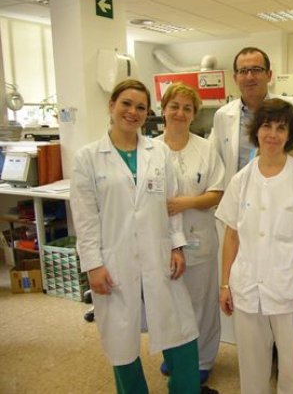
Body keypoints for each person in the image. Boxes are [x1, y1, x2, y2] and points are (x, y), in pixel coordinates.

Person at [70, 79, 200, 394]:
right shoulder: (88, 157)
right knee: (121, 339)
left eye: (141, 107)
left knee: (181, 330)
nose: (133, 112)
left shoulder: (159, 152)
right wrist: (93, 265)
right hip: (114, 258)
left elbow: (171, 205)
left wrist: (177, 247)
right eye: (126, 104)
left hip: (159, 253)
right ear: (111, 105)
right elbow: (85, 219)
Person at [215, 98, 293, 394]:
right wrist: (225, 284)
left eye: (281, 128)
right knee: (251, 369)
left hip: (290, 288)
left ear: (290, 135)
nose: (273, 134)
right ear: (256, 130)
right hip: (246, 288)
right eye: (267, 126)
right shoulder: (241, 180)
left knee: (291, 369)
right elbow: (231, 236)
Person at [155, 82, 225, 387]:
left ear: (194, 114)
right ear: (163, 110)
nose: (180, 113)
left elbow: (217, 192)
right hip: (161, 242)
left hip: (199, 239)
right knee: (168, 303)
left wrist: (186, 203)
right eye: (174, 106)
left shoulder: (206, 149)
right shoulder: (149, 150)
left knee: (201, 303)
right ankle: (175, 356)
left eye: (187, 108)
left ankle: (202, 360)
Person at [210, 46, 293, 188]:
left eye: (256, 70)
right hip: (240, 194)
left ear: (269, 75)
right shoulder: (222, 115)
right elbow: (215, 162)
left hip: (285, 192)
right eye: (243, 71)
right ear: (235, 78)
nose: (250, 77)